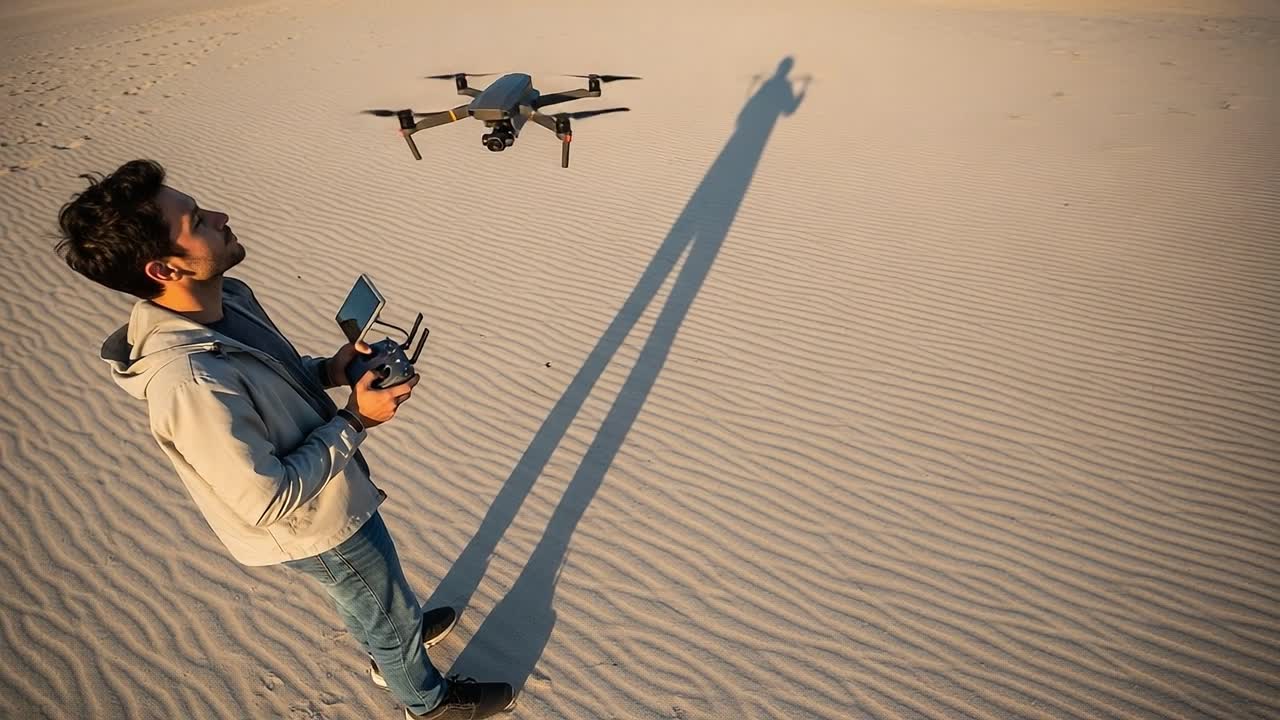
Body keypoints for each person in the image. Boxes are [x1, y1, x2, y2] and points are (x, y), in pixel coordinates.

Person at [54, 159, 515, 720]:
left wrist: (330, 370)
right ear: (163, 270)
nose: (221, 216)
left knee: (378, 599)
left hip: (332, 484)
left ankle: (395, 638)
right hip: (316, 521)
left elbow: (276, 373)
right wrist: (356, 422)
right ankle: (426, 700)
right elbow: (265, 500)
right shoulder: (191, 383)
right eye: (198, 221)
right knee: (378, 600)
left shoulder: (230, 299)